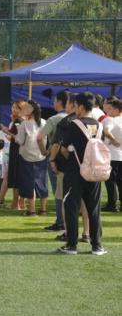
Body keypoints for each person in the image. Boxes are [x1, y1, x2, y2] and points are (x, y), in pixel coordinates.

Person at [59, 92, 106, 255]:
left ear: (79, 106)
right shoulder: (99, 125)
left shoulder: (74, 124)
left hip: (75, 172)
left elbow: (64, 148)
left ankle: (72, 245)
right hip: (94, 171)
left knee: (71, 208)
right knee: (94, 209)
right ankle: (97, 245)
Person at [37, 90, 68, 231]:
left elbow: (39, 137)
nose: (53, 103)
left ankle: (61, 222)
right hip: (72, 158)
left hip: (55, 158)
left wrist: (44, 152)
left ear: (60, 102)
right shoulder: (75, 118)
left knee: (58, 191)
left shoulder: (54, 119)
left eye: (55, 101)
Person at [16, 100, 48, 216]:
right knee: (42, 182)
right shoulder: (44, 122)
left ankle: (32, 210)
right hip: (41, 156)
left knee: (29, 184)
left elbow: (20, 140)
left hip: (26, 157)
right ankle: (43, 209)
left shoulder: (24, 124)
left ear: (31, 110)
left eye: (26, 107)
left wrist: (14, 136)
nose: (23, 109)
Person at [102, 97, 122, 212]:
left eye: (110, 109)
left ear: (116, 109)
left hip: (111, 155)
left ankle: (112, 204)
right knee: (120, 180)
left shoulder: (109, 120)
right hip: (120, 155)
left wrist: (114, 140)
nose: (107, 111)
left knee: (110, 181)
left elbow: (107, 132)